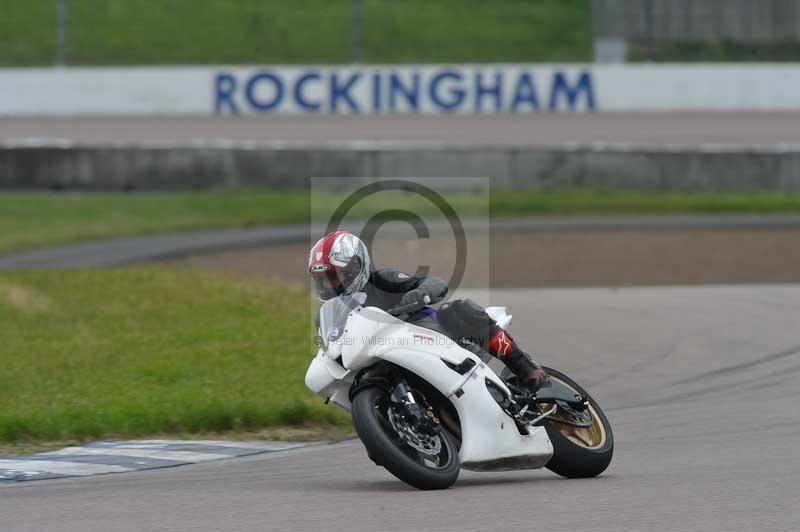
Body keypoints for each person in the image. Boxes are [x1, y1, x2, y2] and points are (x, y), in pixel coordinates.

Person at [308, 229, 546, 393]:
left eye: (334, 277)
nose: (328, 285)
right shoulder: (327, 315)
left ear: (355, 267)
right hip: (385, 361)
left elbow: (432, 282)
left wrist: (419, 293)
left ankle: (526, 368)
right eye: (322, 280)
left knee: (457, 309)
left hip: (434, 338)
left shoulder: (382, 280)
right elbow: (328, 346)